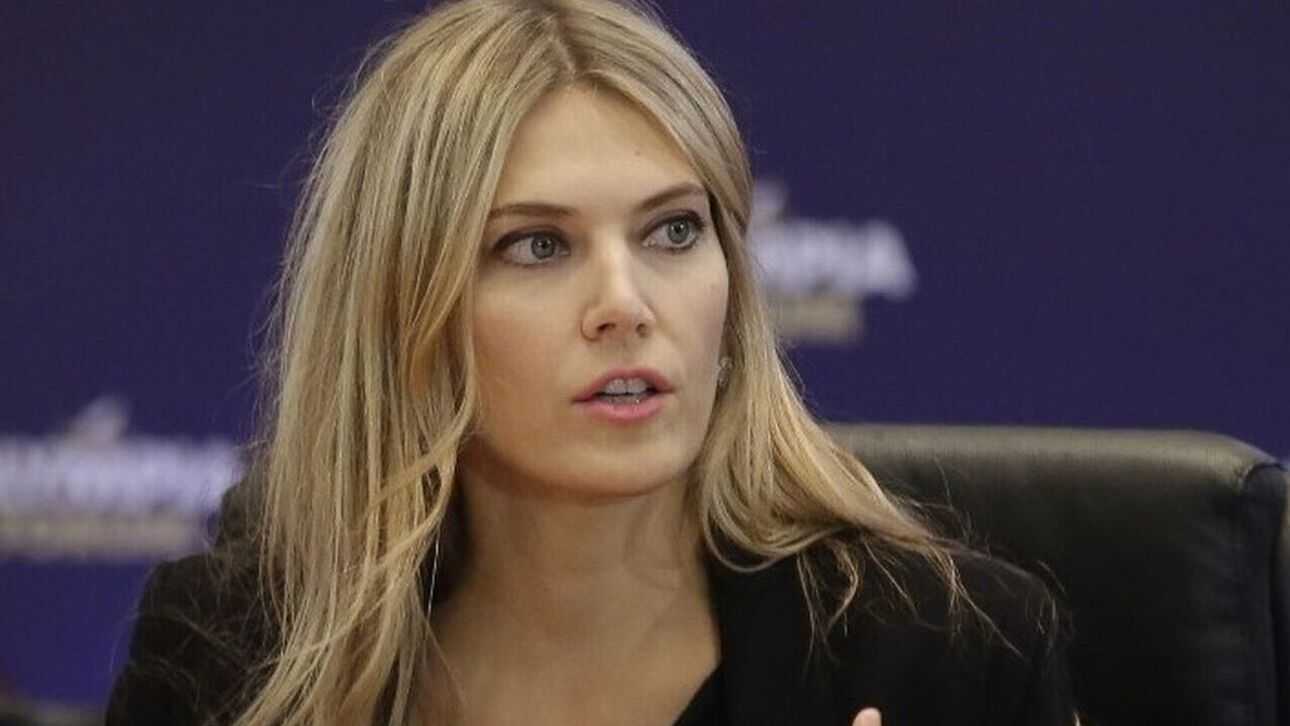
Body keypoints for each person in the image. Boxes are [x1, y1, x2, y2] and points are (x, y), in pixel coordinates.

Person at [106, 1, 1076, 724]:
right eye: (537, 246)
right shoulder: (229, 658)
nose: (626, 303)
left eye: (674, 231)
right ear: (405, 312)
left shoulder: (948, 658)